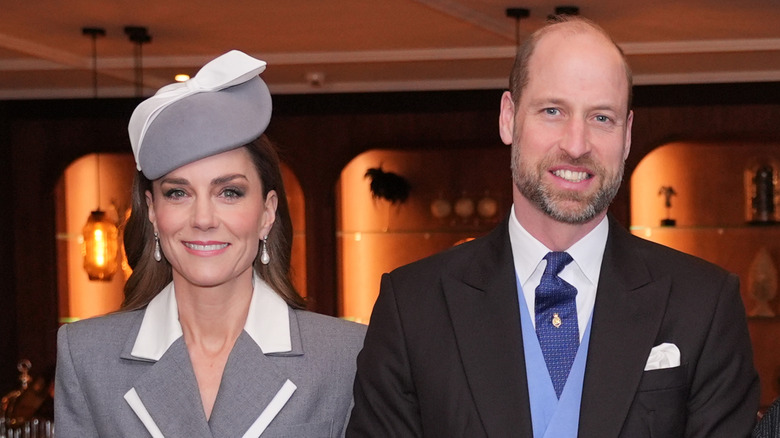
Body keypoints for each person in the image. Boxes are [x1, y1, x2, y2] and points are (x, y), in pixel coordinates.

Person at [347, 16, 759, 438]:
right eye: (552, 111)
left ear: (627, 135)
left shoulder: (704, 303)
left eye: (602, 118)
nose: (576, 145)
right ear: (508, 118)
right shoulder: (413, 306)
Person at [54, 50, 366, 438]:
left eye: (229, 192)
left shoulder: (346, 354)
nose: (203, 219)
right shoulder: (86, 354)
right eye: (178, 193)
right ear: (152, 212)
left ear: (267, 212)